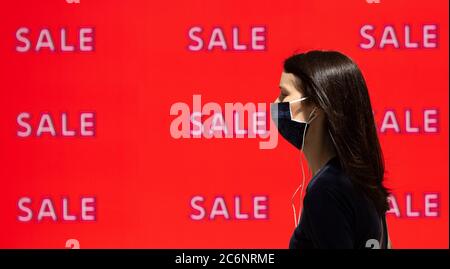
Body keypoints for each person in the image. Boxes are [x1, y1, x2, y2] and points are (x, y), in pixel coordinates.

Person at [270, 50, 392, 249]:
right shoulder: (359, 182)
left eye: (284, 95)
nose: (275, 104)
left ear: (316, 106)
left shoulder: (326, 191)